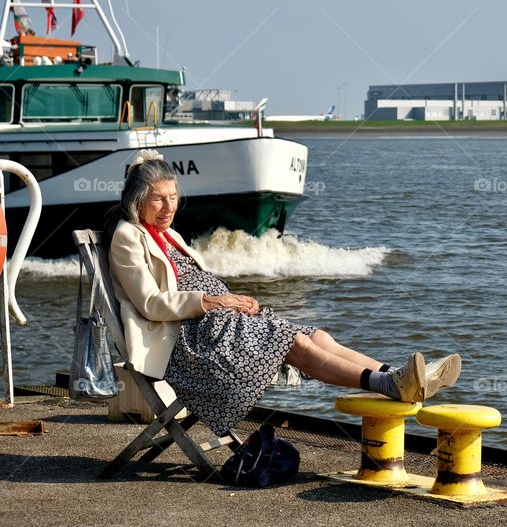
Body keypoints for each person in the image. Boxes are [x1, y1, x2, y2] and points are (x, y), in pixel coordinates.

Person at [105, 149, 460, 437]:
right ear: (138, 201)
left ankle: (399, 375)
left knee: (317, 334)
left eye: (173, 198)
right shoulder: (127, 237)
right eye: (158, 200)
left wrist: (236, 302)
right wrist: (216, 301)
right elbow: (150, 304)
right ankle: (389, 384)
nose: (168, 208)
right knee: (296, 344)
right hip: (188, 346)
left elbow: (195, 282)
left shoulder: (168, 235)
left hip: (216, 325)